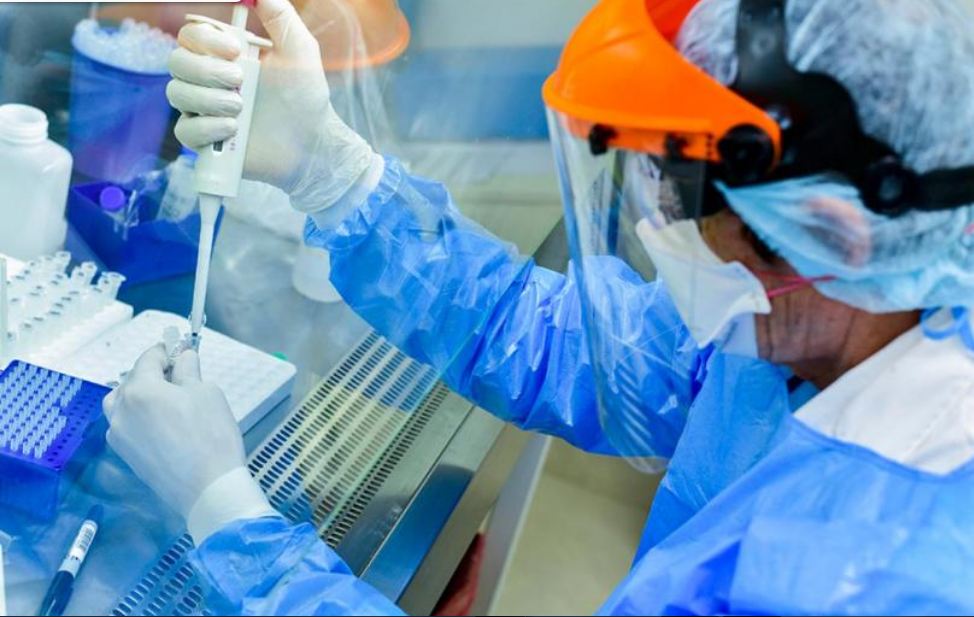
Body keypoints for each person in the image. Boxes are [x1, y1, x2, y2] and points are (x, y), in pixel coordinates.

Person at [104, 0, 974, 613]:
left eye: (681, 194)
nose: (654, 220)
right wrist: (332, 174)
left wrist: (230, 519)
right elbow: (568, 346)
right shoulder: (832, 325)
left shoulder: (882, 580)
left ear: (833, 235)